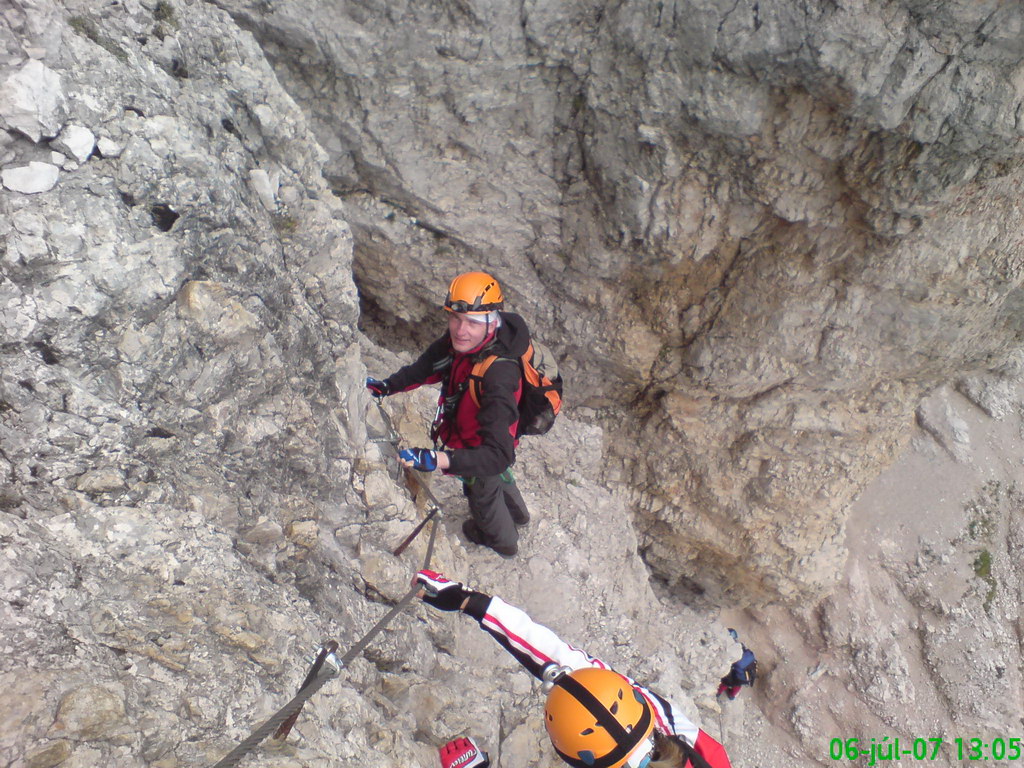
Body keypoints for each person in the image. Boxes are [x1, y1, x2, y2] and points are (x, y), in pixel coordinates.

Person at [413, 570, 733, 768]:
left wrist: (469, 601)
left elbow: (566, 661)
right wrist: (472, 603)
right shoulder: (693, 744)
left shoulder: (685, 738)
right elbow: (571, 668)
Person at [366, 271, 531, 557]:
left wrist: (438, 460)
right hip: (489, 436)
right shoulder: (463, 344)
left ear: (492, 322)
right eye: (455, 318)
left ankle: (502, 541)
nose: (460, 330)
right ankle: (520, 515)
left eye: (472, 323)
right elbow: (426, 367)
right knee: (499, 478)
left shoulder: (500, 374)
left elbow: (497, 456)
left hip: (482, 448)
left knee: (482, 492)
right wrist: (387, 387)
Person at [716, 631, 756, 701]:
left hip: (738, 676)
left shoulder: (732, 653)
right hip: (746, 676)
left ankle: (717, 693)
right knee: (738, 685)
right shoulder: (742, 648)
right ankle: (732, 696)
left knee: (725, 682)